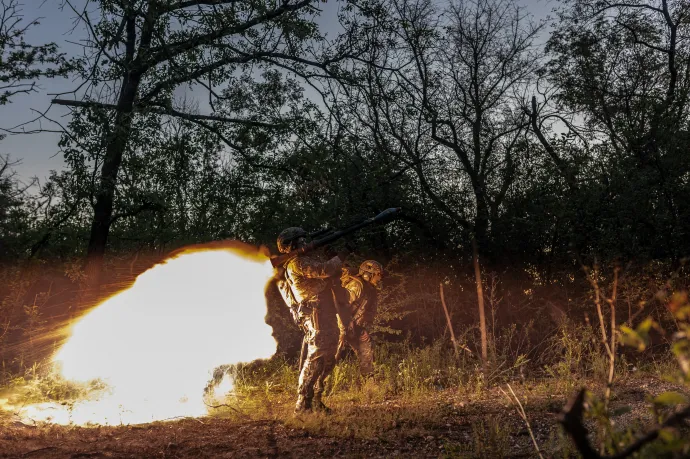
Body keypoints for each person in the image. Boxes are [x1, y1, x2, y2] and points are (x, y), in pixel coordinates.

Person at [275, 227, 349, 413]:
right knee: (317, 356)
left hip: (323, 309)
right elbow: (324, 270)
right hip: (315, 311)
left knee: (328, 357)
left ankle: (315, 399)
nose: (305, 243)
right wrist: (342, 254)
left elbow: (330, 273)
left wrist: (332, 254)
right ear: (292, 244)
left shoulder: (302, 259)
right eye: (301, 240)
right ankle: (302, 403)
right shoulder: (296, 262)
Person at [337, 260, 383, 377]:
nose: (380, 278)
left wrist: (359, 327)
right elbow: (340, 306)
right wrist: (344, 328)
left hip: (353, 325)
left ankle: (369, 380)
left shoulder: (370, 289)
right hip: (339, 324)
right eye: (378, 274)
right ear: (368, 274)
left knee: (365, 346)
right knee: (333, 354)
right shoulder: (356, 285)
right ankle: (319, 383)